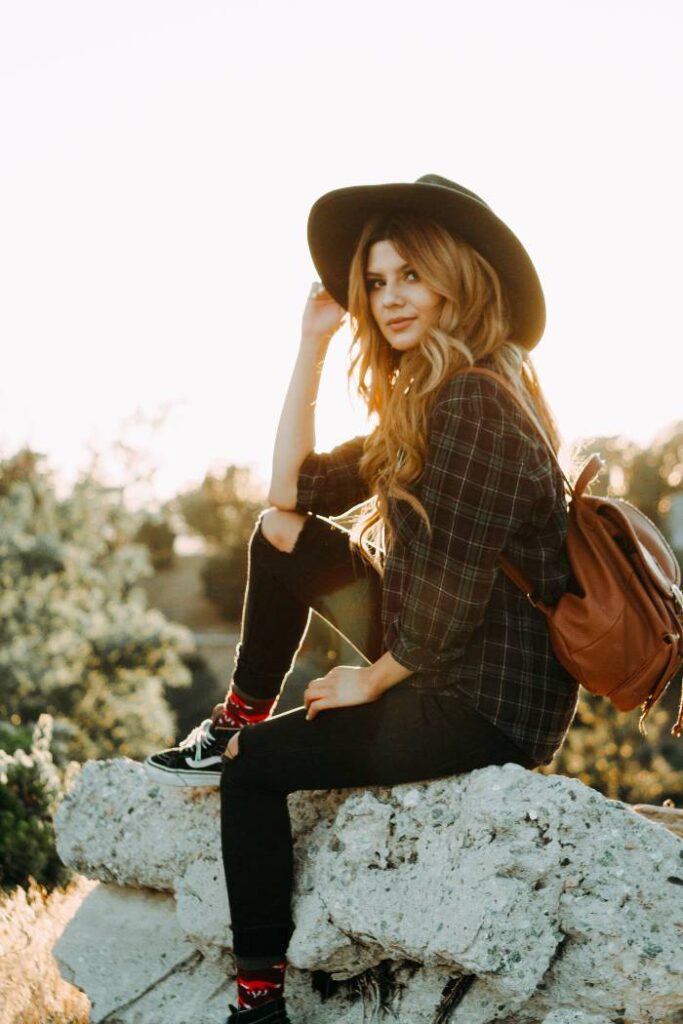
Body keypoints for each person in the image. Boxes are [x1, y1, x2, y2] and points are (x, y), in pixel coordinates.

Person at [145, 174, 580, 1024]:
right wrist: (310, 344)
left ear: (457, 276)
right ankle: (238, 710)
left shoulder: (479, 400)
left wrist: (372, 679)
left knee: (256, 772)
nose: (387, 299)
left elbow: (453, 584)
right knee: (278, 533)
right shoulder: (428, 398)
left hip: (483, 697)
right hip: (441, 653)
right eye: (375, 282)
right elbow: (288, 490)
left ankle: (258, 1003)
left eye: (410, 275)